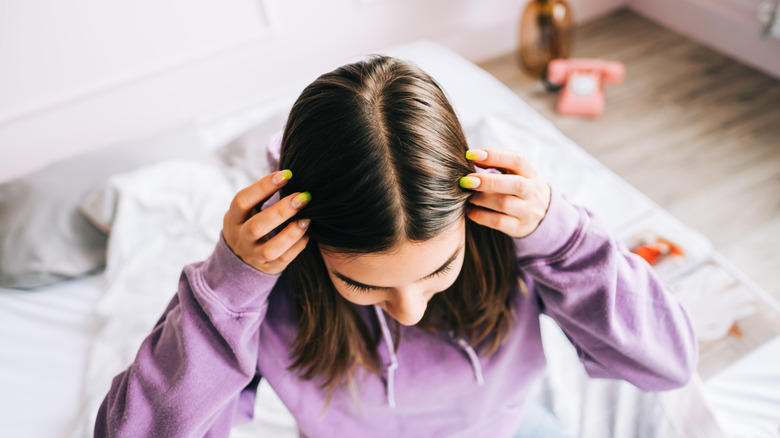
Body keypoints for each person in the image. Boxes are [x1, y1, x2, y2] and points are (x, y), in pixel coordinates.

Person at [94, 56, 697, 437]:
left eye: (440, 269)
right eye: (363, 283)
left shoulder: (516, 245)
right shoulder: (266, 290)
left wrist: (568, 243)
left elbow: (667, 366)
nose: (409, 309)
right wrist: (226, 292)